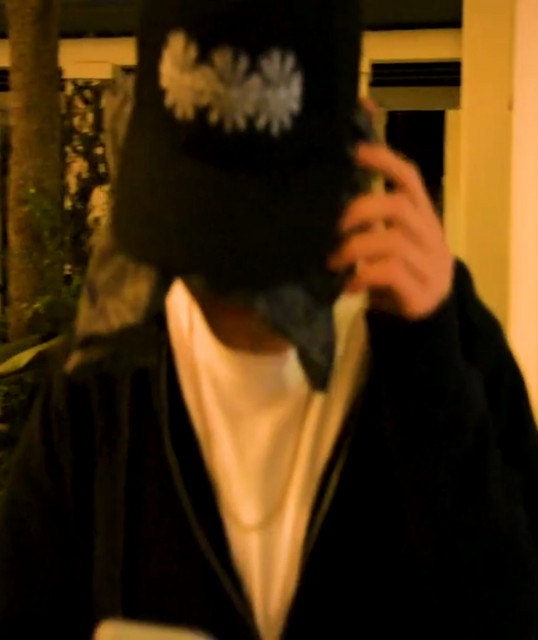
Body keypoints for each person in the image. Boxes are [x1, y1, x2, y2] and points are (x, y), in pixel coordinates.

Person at [2, 1, 538, 639]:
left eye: (268, 229)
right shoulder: (98, 382)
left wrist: (429, 370)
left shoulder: (455, 347)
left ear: (362, 141)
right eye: (198, 227)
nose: (237, 273)